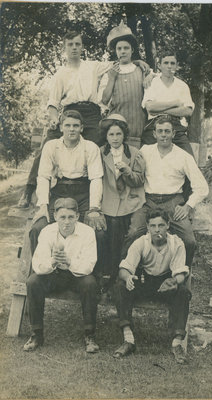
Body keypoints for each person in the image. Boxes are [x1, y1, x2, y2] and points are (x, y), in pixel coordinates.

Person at [18, 30, 149, 208]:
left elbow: (119, 62)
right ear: (64, 48)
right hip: (70, 113)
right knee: (47, 145)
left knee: (105, 145)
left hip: (92, 113)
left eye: (77, 44)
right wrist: (55, 118)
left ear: (82, 47)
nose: (74, 48)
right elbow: (53, 103)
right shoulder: (60, 74)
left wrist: (137, 62)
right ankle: (28, 191)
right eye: (70, 45)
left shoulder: (93, 66)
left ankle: (109, 193)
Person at [122, 115, 209, 268]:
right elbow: (135, 175)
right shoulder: (145, 151)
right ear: (154, 134)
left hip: (173, 202)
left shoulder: (183, 156)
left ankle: (182, 275)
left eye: (167, 131)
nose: (163, 135)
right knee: (134, 233)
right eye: (160, 131)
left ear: (173, 134)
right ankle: (126, 273)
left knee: (189, 240)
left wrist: (187, 206)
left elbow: (202, 187)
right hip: (148, 201)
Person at [29, 109, 106, 279]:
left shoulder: (90, 147)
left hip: (83, 191)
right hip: (60, 190)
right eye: (68, 125)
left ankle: (93, 278)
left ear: (82, 128)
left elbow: (96, 179)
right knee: (37, 228)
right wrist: (43, 205)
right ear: (61, 127)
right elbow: (43, 176)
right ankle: (41, 275)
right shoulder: (51, 146)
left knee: (98, 231)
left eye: (76, 126)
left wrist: (94, 208)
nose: (72, 129)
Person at [113, 209, 191, 364]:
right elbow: (124, 268)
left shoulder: (177, 243)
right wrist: (128, 276)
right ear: (147, 227)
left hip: (165, 283)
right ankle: (129, 340)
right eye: (153, 226)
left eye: (161, 225)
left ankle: (177, 343)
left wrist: (175, 281)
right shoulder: (141, 242)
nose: (157, 230)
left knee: (183, 291)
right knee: (120, 286)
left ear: (168, 225)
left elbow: (180, 271)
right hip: (144, 281)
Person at [23, 197, 100, 353]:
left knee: (90, 283)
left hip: (76, 275)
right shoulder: (47, 232)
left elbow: (88, 266)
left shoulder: (87, 232)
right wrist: (53, 261)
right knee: (33, 282)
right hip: (54, 273)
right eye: (62, 217)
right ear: (55, 217)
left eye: (71, 217)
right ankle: (36, 334)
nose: (66, 222)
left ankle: (89, 335)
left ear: (77, 216)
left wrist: (70, 262)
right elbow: (38, 265)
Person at [100, 114, 145, 287]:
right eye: (111, 134)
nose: (115, 138)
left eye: (118, 134)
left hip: (130, 200)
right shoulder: (100, 152)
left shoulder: (134, 153)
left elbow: (139, 181)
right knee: (109, 230)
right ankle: (110, 274)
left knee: (130, 232)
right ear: (106, 136)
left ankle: (124, 274)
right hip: (109, 200)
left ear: (124, 135)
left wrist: (127, 171)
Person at [98, 21, 147, 149]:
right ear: (115, 51)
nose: (123, 52)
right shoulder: (109, 72)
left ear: (132, 50)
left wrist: (149, 74)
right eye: (119, 49)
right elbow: (104, 100)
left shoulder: (141, 70)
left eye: (126, 48)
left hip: (138, 128)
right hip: (116, 130)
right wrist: (112, 79)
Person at [141, 51, 194, 156]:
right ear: (159, 65)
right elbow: (150, 107)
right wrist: (175, 103)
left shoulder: (182, 85)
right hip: (154, 125)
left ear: (177, 66)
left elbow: (188, 111)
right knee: (144, 158)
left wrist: (160, 109)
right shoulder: (152, 83)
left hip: (176, 126)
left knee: (189, 159)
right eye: (166, 63)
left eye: (172, 63)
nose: (169, 66)